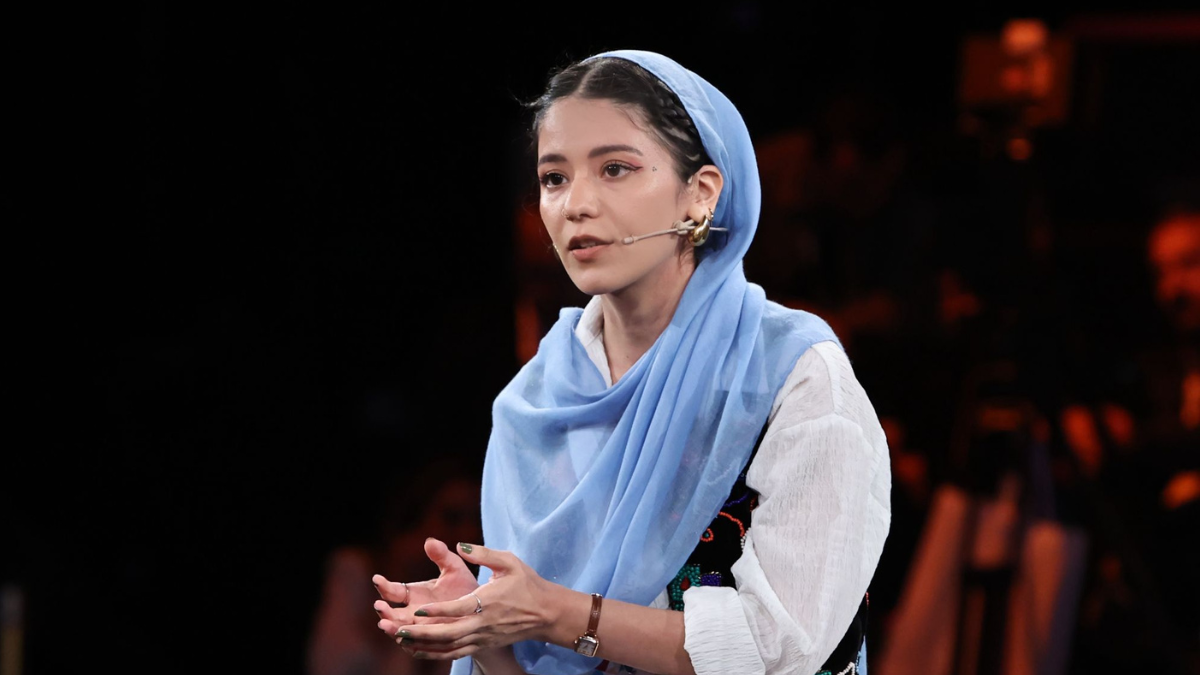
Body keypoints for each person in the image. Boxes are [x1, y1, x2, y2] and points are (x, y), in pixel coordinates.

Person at [370, 50, 891, 675]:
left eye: (614, 168)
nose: (575, 204)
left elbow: (780, 647)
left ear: (700, 195)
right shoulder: (533, 404)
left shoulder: (792, 377)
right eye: (554, 178)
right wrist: (485, 633)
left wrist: (554, 613)